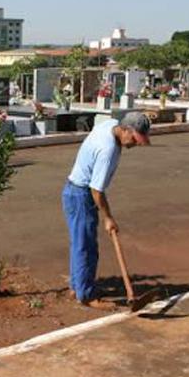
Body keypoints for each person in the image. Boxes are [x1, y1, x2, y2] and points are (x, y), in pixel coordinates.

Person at [62, 111, 151, 309]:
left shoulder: (110, 125)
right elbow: (97, 190)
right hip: (81, 195)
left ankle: (77, 287)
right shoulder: (108, 150)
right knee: (86, 247)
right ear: (126, 130)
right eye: (135, 139)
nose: (134, 144)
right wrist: (108, 218)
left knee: (81, 243)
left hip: (75, 191)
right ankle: (86, 296)